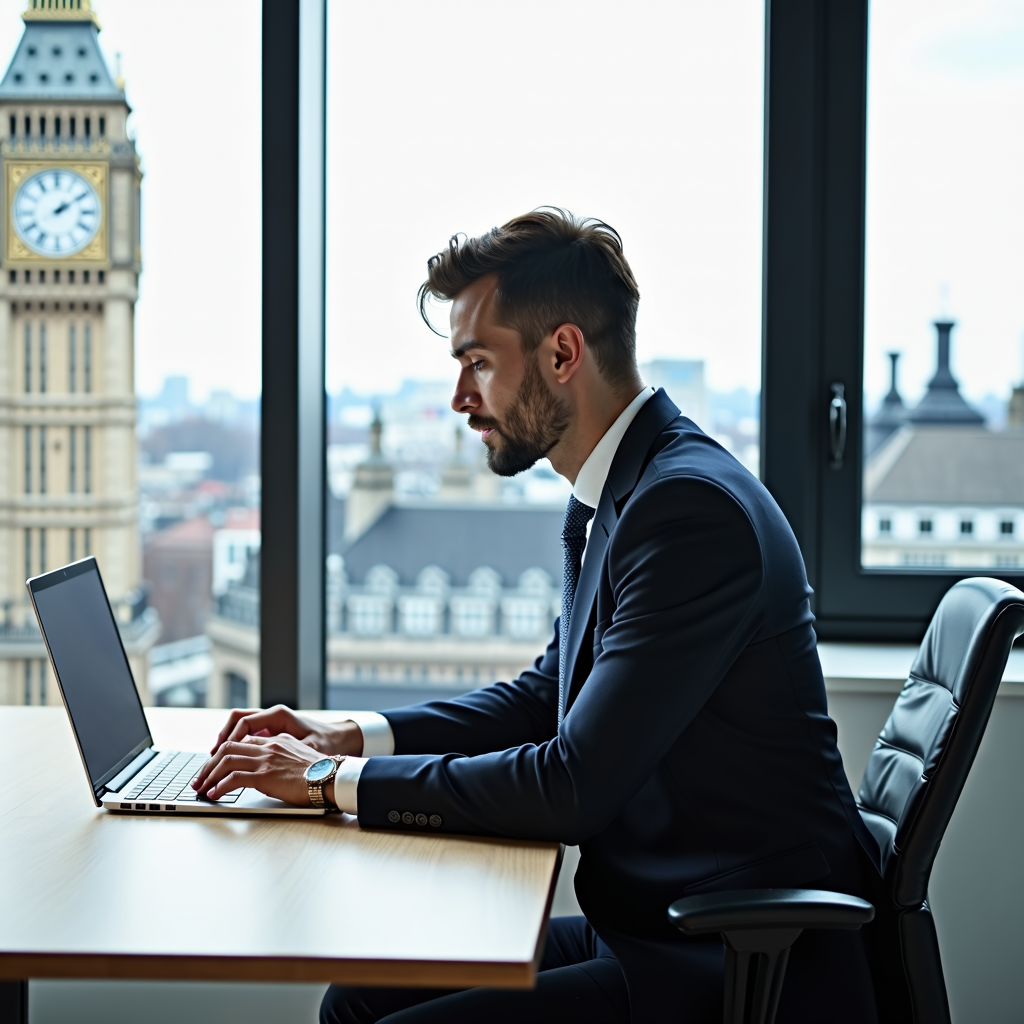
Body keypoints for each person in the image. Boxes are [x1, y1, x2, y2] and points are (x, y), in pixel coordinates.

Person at [194, 209, 881, 1023]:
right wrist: (348, 740)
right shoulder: (626, 493)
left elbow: (572, 786)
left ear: (562, 353)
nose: (458, 397)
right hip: (649, 926)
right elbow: (542, 697)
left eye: (477, 363)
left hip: (723, 961)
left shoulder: (687, 512)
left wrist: (325, 784)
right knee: (356, 1000)